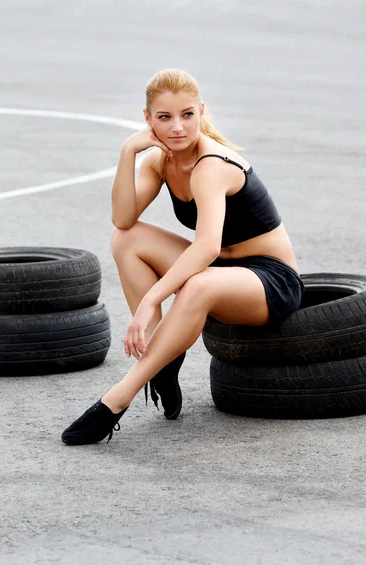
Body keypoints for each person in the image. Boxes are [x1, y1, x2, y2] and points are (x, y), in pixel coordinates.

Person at [61, 67, 305, 446]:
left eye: (187, 115)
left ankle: (118, 398)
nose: (177, 127)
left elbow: (206, 247)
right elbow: (123, 218)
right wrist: (129, 151)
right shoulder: (161, 161)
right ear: (148, 120)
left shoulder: (212, 166)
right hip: (220, 270)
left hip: (268, 280)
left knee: (199, 284)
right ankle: (165, 359)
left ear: (202, 112)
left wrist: (151, 300)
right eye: (164, 117)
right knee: (125, 239)